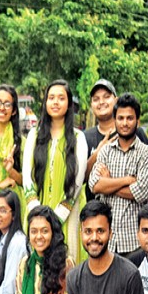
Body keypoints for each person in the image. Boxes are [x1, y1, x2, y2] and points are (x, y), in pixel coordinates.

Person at [22, 80, 88, 258]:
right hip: (36, 213)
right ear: (45, 102)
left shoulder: (78, 137)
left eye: (61, 98)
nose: (55, 102)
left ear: (69, 103)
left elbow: (77, 180)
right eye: (51, 98)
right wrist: (38, 214)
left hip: (68, 213)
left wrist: (56, 218)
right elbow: (27, 176)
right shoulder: (34, 135)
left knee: (67, 262)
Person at [88, 93, 148, 256]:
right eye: (120, 118)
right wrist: (127, 180)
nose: (125, 123)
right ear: (115, 120)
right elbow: (94, 185)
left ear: (138, 121)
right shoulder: (106, 151)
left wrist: (108, 183)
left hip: (133, 241)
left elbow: (141, 193)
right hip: (106, 239)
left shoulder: (146, 153)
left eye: (130, 118)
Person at [83, 78, 148, 195]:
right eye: (96, 99)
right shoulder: (85, 137)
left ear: (116, 100)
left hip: (132, 205)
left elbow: (145, 184)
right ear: (91, 105)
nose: (101, 102)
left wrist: (107, 184)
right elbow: (81, 179)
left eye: (106, 97)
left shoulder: (135, 132)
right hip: (94, 205)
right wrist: (97, 153)